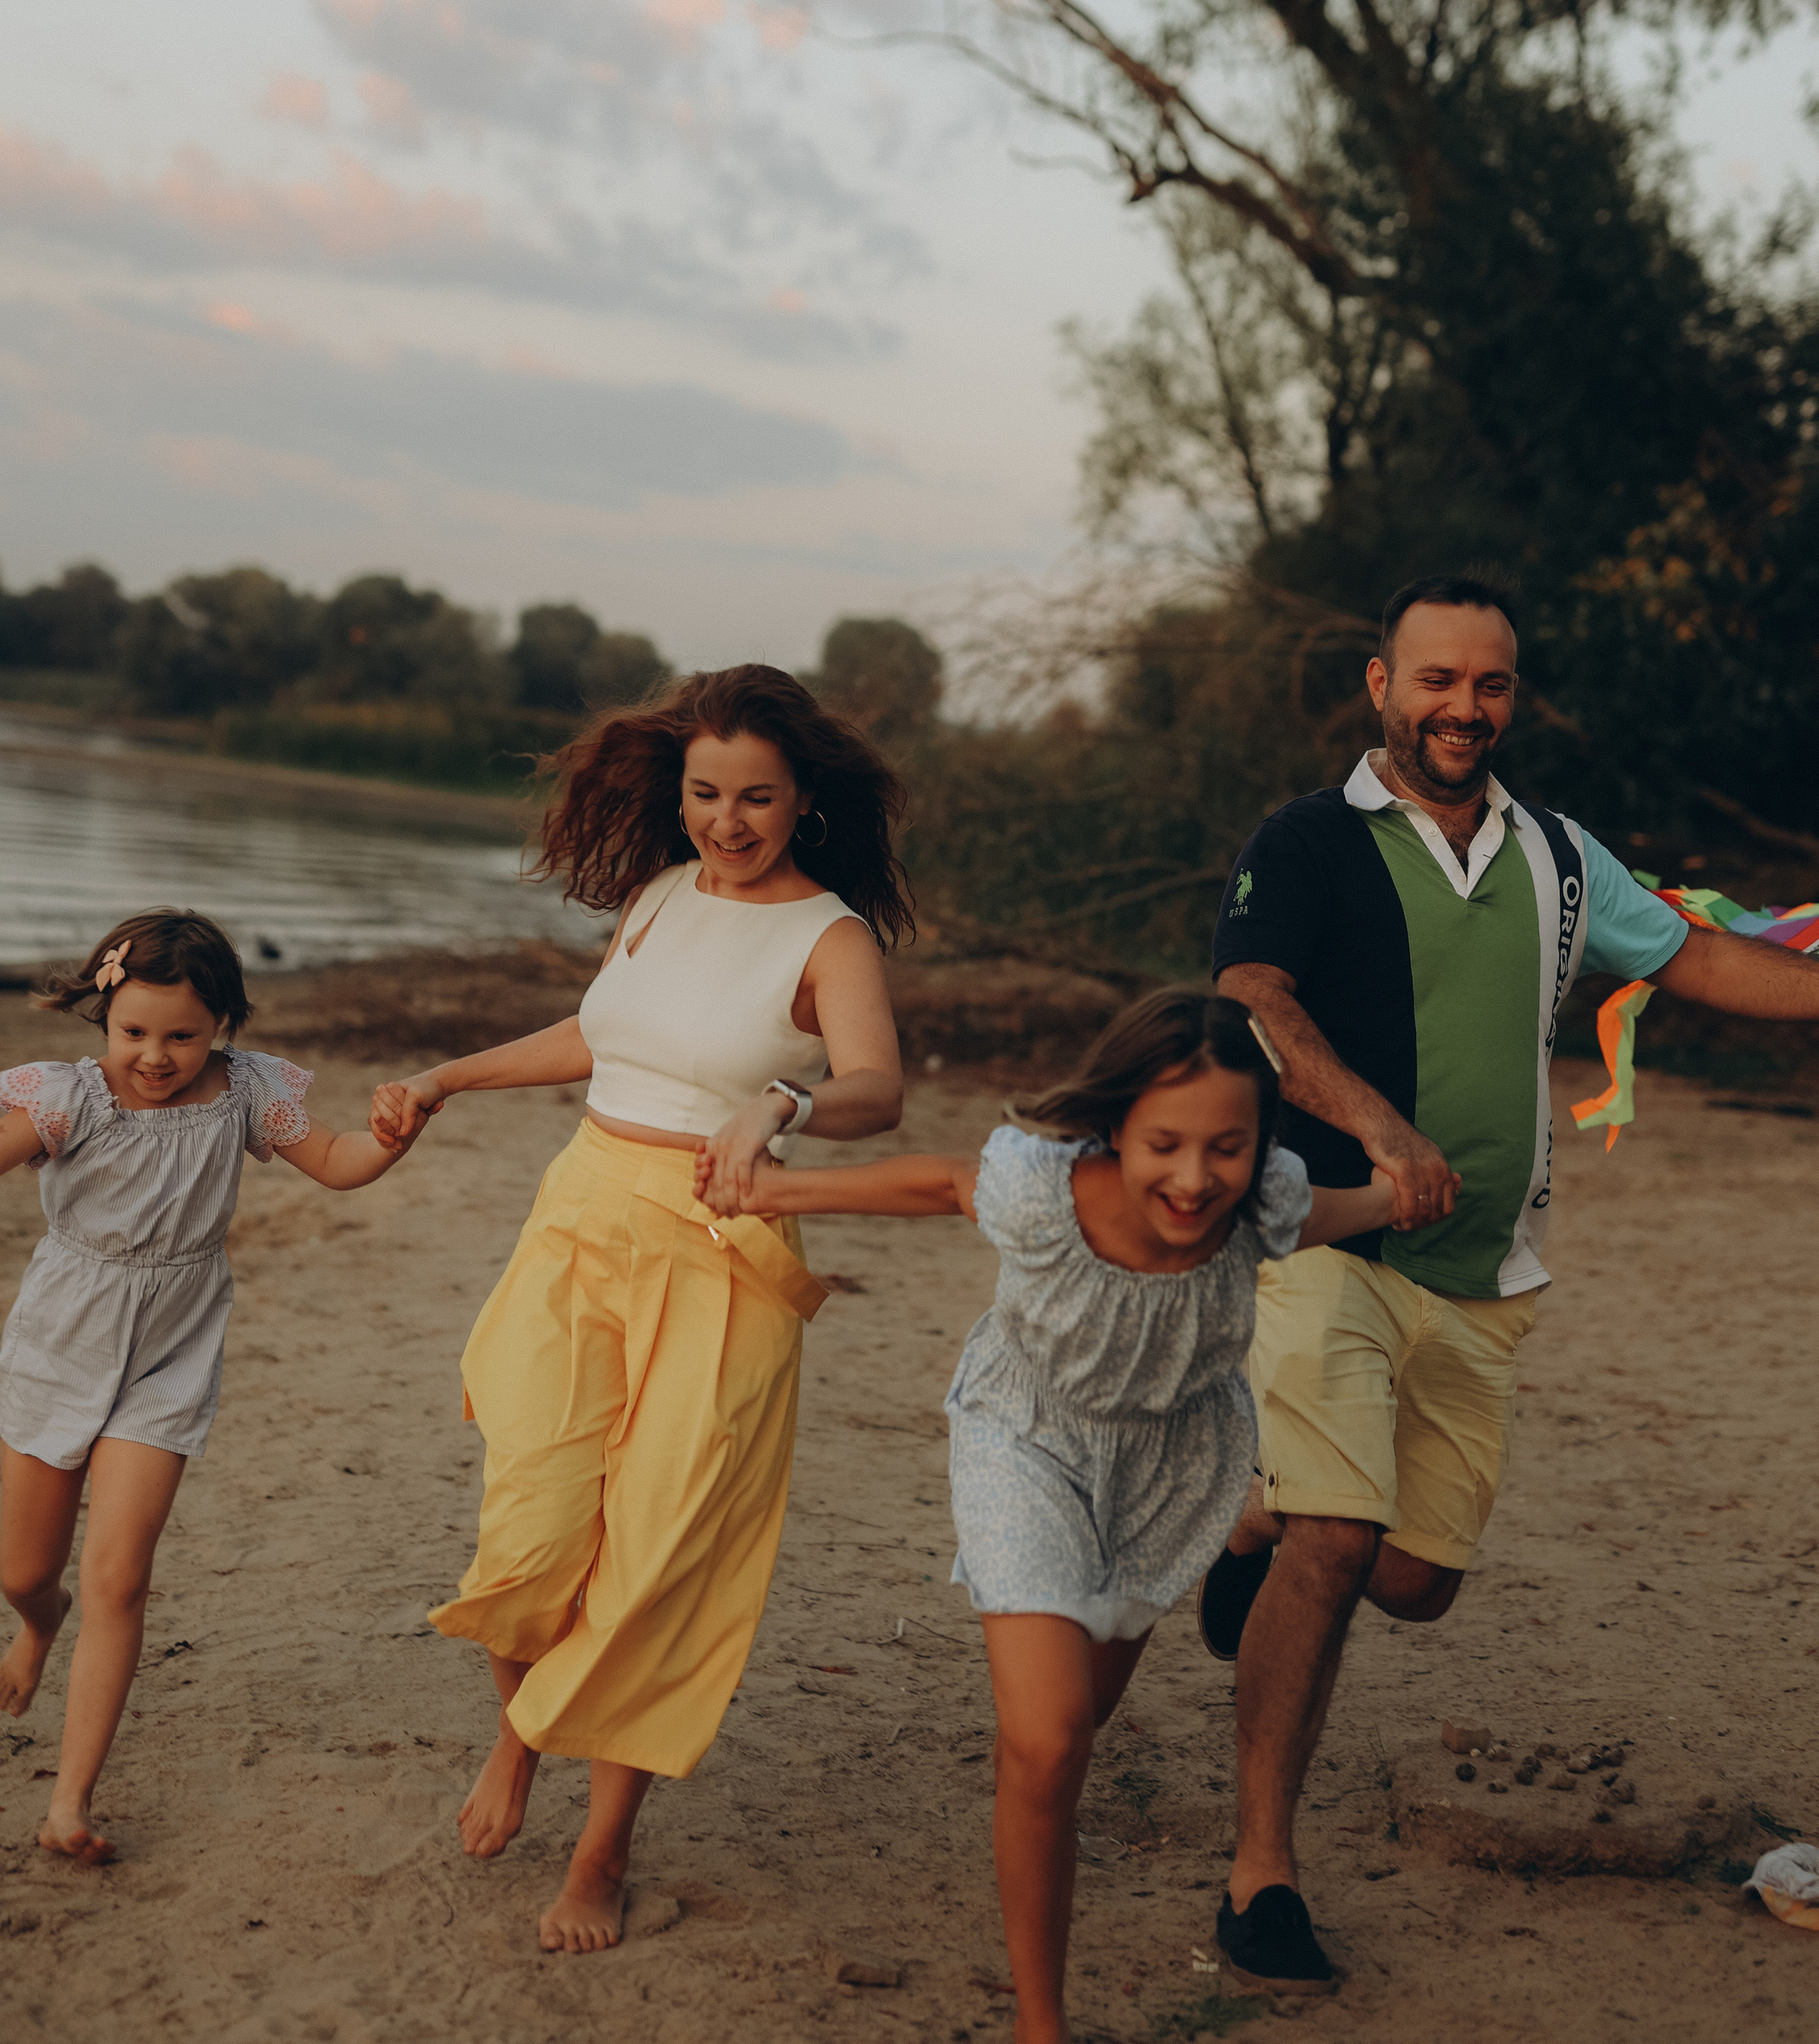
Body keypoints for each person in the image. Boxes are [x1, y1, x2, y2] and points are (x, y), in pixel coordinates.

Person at [1204, 570, 1819, 1999]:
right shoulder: (1304, 840)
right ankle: (1258, 1879)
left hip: (1481, 1275)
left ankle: (1254, 1530)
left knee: (1412, 1582)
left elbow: (1702, 962)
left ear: (1509, 695)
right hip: (1327, 1240)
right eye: (1434, 679)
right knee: (1344, 1542)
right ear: (1379, 685)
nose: (1459, 707)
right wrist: (1377, 1128)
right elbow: (1252, 1000)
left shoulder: (1553, 852)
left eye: (1486, 683)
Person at [697, 989, 1444, 2044]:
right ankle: (1040, 2025)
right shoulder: (1043, 1187)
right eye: (1165, 1145)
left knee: (1072, 1729)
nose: (1194, 1178)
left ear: (1259, 1142)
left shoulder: (1264, 1199)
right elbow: (939, 1182)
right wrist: (777, 1194)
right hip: (1028, 1441)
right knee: (1048, 1745)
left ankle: (1239, 1535)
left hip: (1172, 1467)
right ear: (1115, 1129)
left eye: (1226, 1147)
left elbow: (1316, 1214)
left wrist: (1394, 1197)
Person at [369, 665, 910, 1957]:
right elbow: (601, 1038)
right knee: (531, 1531)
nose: (729, 822)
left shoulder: (829, 936)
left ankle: (604, 1851)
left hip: (722, 1255)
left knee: (658, 1557)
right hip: (579, 1223)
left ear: (803, 802)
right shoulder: (661, 897)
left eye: (757, 799)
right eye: (707, 793)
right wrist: (449, 1077)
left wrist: (782, 1104)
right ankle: (521, 1730)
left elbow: (878, 1087)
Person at [0, 908, 417, 1863]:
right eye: (134, 1032)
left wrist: (394, 1133)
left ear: (222, 1025)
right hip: (61, 1341)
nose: (155, 1056)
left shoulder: (246, 1094)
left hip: (171, 1352)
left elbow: (340, 1163)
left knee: (120, 1575)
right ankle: (36, 1622)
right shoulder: (70, 1101)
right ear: (102, 1018)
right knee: (26, 1569)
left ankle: (69, 1802)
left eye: (182, 1035)